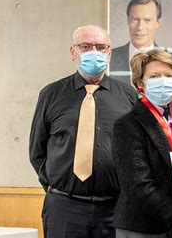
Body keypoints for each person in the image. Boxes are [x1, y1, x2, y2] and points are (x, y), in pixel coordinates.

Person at [29, 25, 138, 238]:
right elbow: (37, 151)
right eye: (86, 46)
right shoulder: (51, 94)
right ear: (73, 52)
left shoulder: (128, 96)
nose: (94, 52)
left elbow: (135, 151)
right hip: (64, 207)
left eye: (101, 47)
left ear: (109, 52)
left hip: (114, 208)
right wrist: (58, 186)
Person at [112, 50, 172, 238]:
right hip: (142, 228)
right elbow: (139, 186)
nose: (163, 80)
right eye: (155, 76)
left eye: (169, 75)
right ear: (140, 83)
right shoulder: (127, 125)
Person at [110, 0, 172, 84]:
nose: (140, 27)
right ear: (128, 21)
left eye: (147, 20)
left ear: (157, 23)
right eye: (135, 19)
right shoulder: (110, 58)